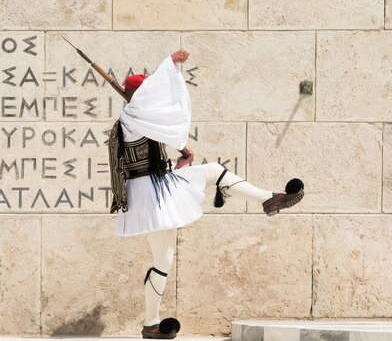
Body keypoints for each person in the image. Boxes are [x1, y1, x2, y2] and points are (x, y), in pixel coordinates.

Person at [107, 49, 304, 339]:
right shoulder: (133, 118)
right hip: (150, 194)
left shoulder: (137, 121)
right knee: (164, 258)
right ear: (142, 97)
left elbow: (144, 163)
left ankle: (268, 198)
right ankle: (150, 324)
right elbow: (142, 155)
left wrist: (177, 162)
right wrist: (171, 64)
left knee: (209, 176)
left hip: (155, 184)